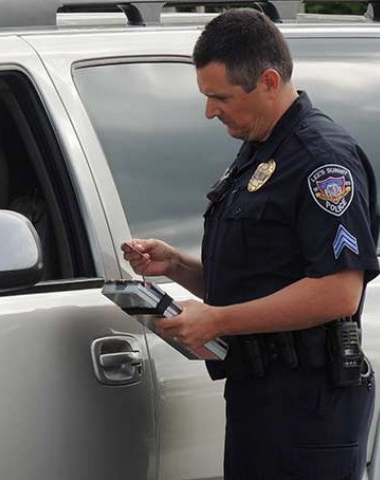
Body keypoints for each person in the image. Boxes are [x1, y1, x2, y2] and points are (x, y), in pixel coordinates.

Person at [122, 9, 379, 480]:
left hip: (309, 409)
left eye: (220, 97)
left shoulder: (321, 159)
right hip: (259, 399)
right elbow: (260, 278)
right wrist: (176, 265)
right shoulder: (261, 150)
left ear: (268, 81)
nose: (209, 111)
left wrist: (217, 320)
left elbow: (339, 291)